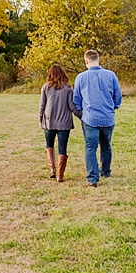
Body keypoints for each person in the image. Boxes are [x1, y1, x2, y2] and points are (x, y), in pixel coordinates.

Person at [73, 50, 122, 187]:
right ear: (98, 60)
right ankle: (105, 171)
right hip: (107, 118)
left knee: (90, 148)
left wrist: (81, 111)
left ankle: (92, 178)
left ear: (86, 61)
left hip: (90, 119)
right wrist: (113, 107)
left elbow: (76, 99)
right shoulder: (110, 75)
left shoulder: (81, 77)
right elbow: (118, 96)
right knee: (106, 146)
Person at [39, 64, 82, 182]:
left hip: (49, 122)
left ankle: (52, 170)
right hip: (64, 123)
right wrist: (81, 115)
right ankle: (60, 175)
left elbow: (42, 106)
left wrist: (40, 120)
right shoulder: (68, 88)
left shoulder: (45, 87)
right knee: (62, 148)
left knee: (49, 145)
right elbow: (72, 106)